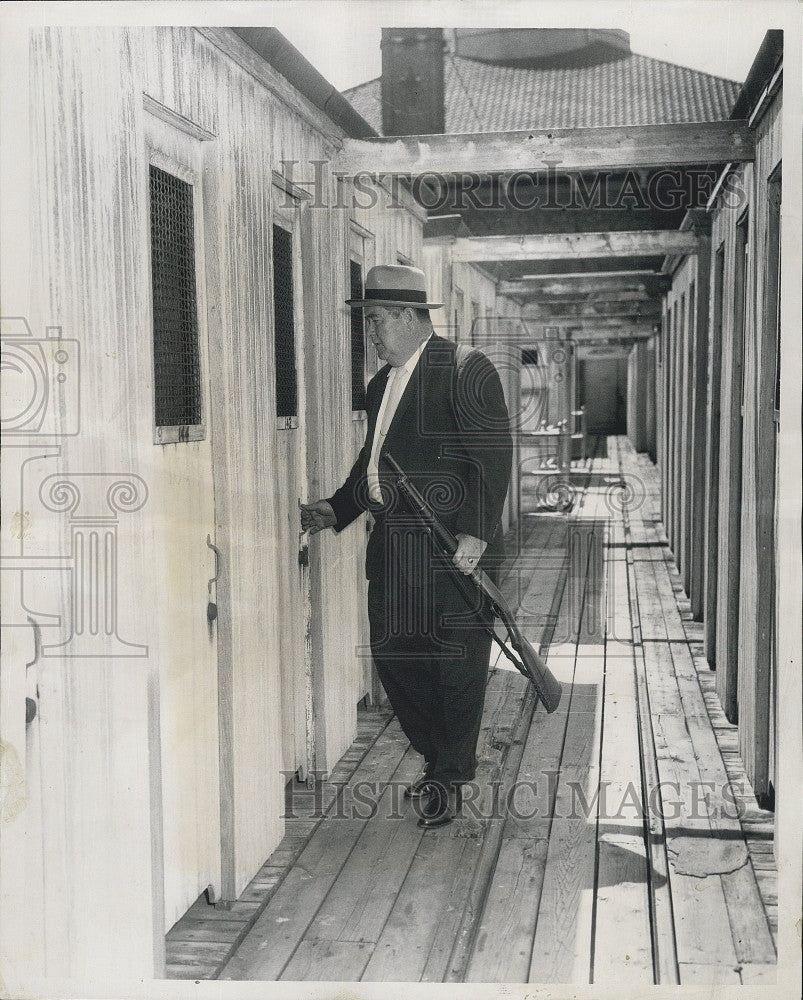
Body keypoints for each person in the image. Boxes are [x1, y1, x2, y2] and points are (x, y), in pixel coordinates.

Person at [301, 265, 512, 828]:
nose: (370, 335)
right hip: (391, 549)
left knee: (453, 666)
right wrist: (337, 508)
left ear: (407, 317)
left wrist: (476, 532)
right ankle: (438, 757)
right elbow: (372, 463)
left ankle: (449, 777)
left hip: (446, 551)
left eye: (374, 322)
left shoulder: (464, 371)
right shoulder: (379, 386)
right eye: (368, 323)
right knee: (397, 660)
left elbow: (492, 457)